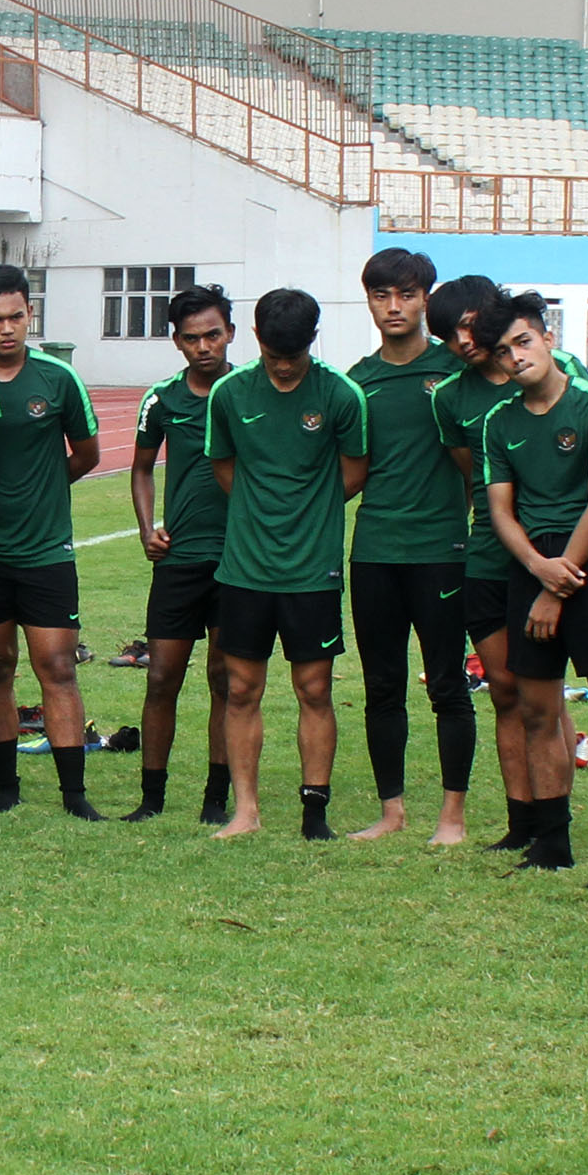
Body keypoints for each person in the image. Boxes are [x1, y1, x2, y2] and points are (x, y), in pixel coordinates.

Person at [478, 293, 588, 877]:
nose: (516, 357)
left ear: (547, 339)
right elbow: (500, 511)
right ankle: (553, 844)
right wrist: (535, 570)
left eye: (523, 342)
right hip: (530, 566)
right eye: (503, 352)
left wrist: (557, 585)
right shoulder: (500, 421)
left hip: (587, 564)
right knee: (537, 710)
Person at [203, 287, 370, 841]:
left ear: (312, 344)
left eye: (292, 357)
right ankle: (245, 810)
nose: (282, 366)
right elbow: (223, 466)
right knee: (241, 688)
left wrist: (308, 514)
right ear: (256, 340)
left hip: (311, 571)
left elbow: (354, 471)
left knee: (315, 690)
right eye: (273, 355)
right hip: (245, 570)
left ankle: (314, 811)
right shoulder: (229, 393)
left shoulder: (342, 395)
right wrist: (260, 513)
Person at [0, 262, 104, 819]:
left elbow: (86, 454)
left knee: (57, 667)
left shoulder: (57, 379)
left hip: (46, 553)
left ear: (30, 314)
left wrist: (44, 487)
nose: (7, 328)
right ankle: (5, 787)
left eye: (17, 316)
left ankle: (75, 795)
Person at [344, 244, 470, 844]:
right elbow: (347, 473)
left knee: (447, 685)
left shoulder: (456, 371)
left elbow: (481, 464)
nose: (393, 307)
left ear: (426, 297)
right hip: (373, 552)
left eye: (406, 294)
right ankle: (391, 812)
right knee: (382, 686)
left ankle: (453, 816)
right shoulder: (358, 382)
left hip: (440, 550)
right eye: (380, 295)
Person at [430, 275, 537, 847]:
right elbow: (478, 478)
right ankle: (521, 823)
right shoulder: (451, 397)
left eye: (468, 325)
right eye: (448, 336)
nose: (462, 342)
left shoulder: (547, 368)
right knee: (504, 690)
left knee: (541, 690)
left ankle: (552, 818)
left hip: (555, 558)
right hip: (489, 556)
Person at [124, 284, 235, 823]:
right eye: (192, 338)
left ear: (230, 334)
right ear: (177, 342)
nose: (204, 346)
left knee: (225, 679)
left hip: (240, 561)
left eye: (213, 334)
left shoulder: (250, 390)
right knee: (162, 677)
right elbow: (142, 469)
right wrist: (149, 529)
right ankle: (152, 798)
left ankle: (216, 800)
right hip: (180, 561)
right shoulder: (161, 399)